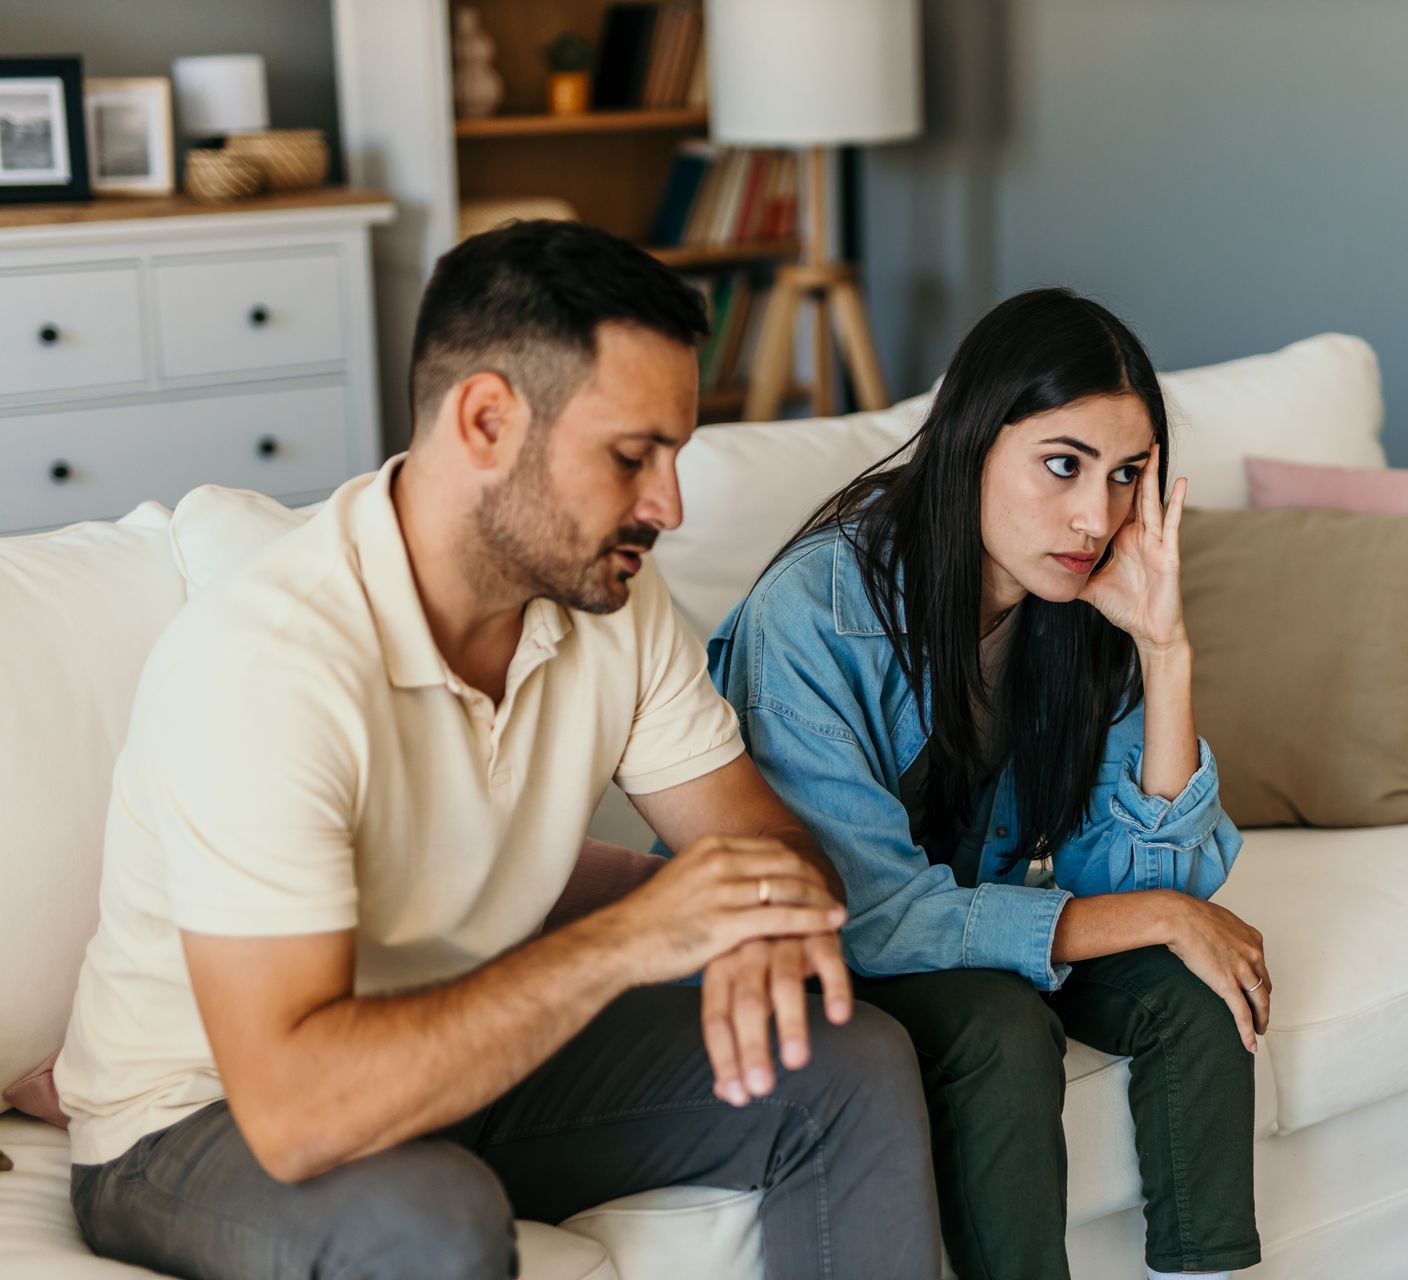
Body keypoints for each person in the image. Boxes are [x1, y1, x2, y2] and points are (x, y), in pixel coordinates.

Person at [54, 220, 940, 1280]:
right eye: (632, 456)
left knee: (849, 1057)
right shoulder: (268, 664)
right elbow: (295, 1109)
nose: (670, 505)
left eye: (676, 454)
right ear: (485, 418)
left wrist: (755, 920)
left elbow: (768, 846)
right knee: (432, 1213)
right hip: (203, 1117)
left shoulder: (615, 598)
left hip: (475, 1051)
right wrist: (633, 935)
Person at [708, 287, 1267, 1280]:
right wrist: (1151, 914)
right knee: (1001, 1029)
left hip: (973, 927)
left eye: (1127, 475)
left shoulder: (1084, 600)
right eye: (1064, 465)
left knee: (1198, 985)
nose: (1097, 515)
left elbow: (1148, 879)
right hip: (832, 956)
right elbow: (863, 914)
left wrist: (1164, 650)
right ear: (971, 440)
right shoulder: (814, 611)